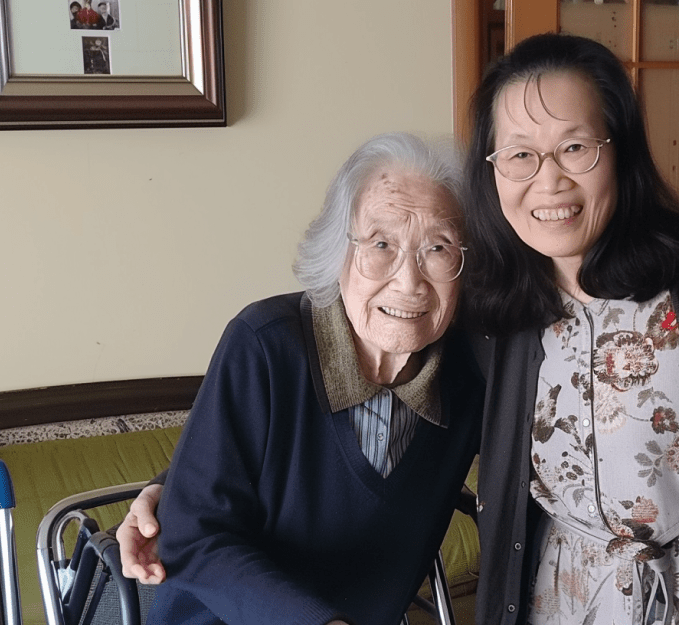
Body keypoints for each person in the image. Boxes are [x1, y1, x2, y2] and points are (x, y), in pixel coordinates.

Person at [462, 34, 679, 625]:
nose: (548, 182)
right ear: (493, 169)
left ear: (620, 150)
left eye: (575, 147)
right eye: (520, 155)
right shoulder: (493, 306)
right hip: (564, 595)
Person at [140, 132, 482, 625]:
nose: (409, 281)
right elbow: (194, 533)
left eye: (438, 248)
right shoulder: (265, 345)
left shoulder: (468, 376)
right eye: (381, 244)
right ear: (337, 253)